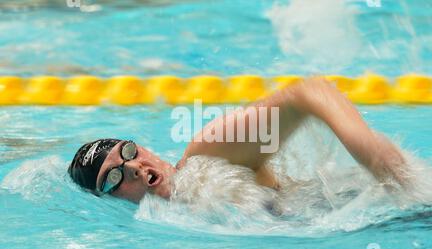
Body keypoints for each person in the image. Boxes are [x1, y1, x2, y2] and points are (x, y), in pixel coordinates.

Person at [68, 78, 407, 204]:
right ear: (107, 202)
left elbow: (309, 93)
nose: (133, 169)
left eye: (128, 152)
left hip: (403, 207)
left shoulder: (206, 157)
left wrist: (372, 155)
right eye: (112, 179)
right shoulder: (179, 218)